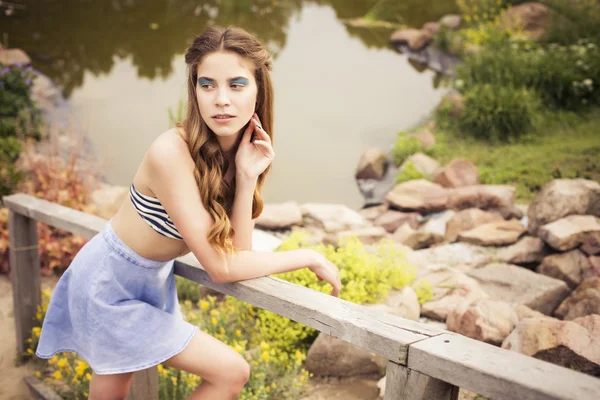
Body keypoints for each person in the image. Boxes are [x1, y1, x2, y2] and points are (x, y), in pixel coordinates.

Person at [35, 25, 342, 400]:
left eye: (237, 84)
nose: (221, 99)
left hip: (150, 280)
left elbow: (236, 254)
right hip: (108, 282)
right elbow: (222, 268)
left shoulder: (238, 155)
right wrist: (307, 255)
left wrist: (246, 179)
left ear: (259, 90)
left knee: (144, 378)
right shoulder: (171, 153)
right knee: (229, 373)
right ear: (193, 89)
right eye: (207, 84)